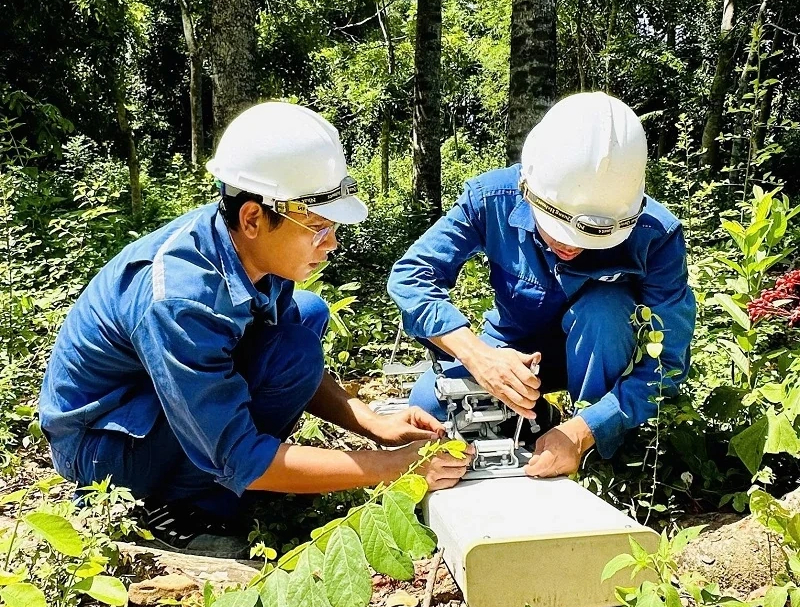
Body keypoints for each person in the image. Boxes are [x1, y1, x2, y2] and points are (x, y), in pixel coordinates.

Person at [39, 102, 472, 557]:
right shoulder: (182, 301)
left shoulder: (253, 251)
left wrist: (375, 424)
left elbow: (292, 357)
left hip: (144, 411)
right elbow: (237, 454)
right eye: (318, 228)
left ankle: (224, 484)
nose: (331, 244)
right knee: (246, 437)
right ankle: (175, 510)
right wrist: (390, 467)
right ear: (252, 218)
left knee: (303, 323)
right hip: (102, 448)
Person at [388, 92, 696, 479]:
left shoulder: (656, 235)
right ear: (526, 187)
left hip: (602, 357)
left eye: (591, 239)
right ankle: (539, 418)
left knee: (605, 310)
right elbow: (412, 275)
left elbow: (667, 363)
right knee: (429, 406)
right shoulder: (491, 198)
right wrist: (478, 356)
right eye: (557, 229)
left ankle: (603, 463)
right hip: (513, 349)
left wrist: (584, 431)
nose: (571, 246)